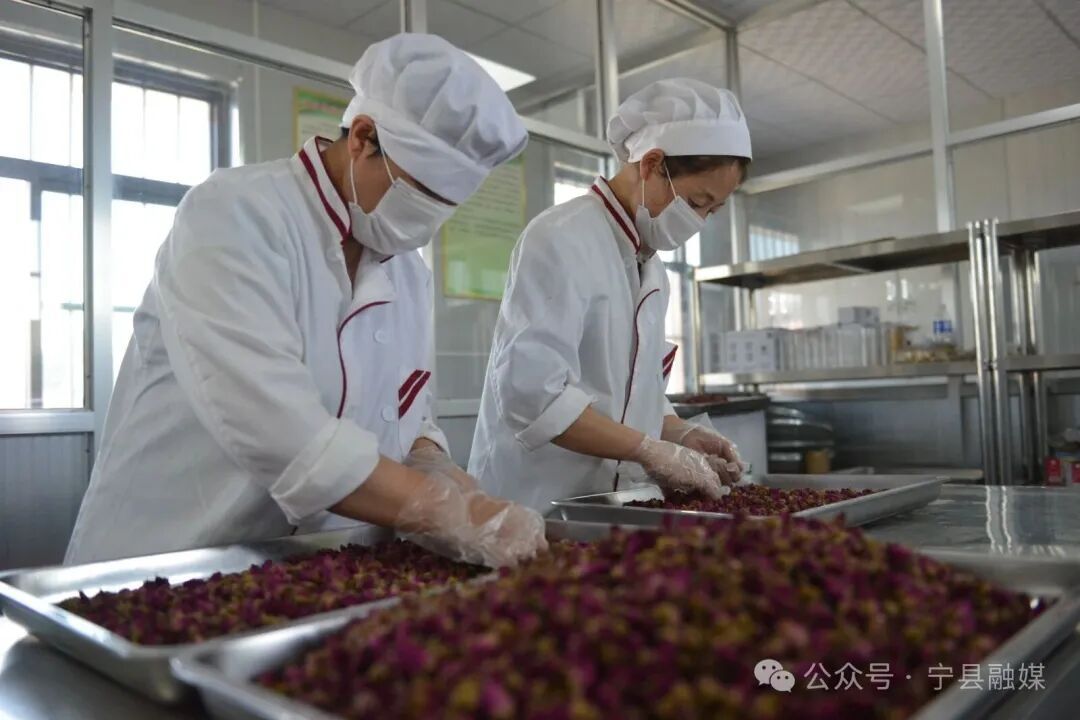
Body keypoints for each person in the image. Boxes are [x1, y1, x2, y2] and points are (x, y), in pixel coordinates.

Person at [65, 34, 546, 567]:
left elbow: (409, 416)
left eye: (446, 204)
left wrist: (447, 476)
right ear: (363, 137)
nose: (427, 222)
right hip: (167, 561)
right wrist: (440, 510)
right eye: (421, 194)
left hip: (308, 566)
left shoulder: (407, 273)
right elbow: (283, 434)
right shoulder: (235, 215)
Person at [469, 78, 751, 511]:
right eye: (697, 202)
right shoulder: (561, 237)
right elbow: (533, 397)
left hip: (607, 506)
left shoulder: (652, 270)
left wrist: (680, 432)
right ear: (652, 164)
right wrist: (648, 449)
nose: (699, 222)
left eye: (712, 211)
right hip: (534, 503)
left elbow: (631, 397)